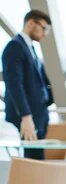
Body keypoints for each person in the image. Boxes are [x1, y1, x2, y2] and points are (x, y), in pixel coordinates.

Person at [1, 10, 54, 160]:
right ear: (31, 23)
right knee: (33, 162)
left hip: (38, 115)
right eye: (44, 28)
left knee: (37, 161)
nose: (45, 34)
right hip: (28, 117)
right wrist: (26, 116)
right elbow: (14, 84)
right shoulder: (15, 47)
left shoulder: (30, 48)